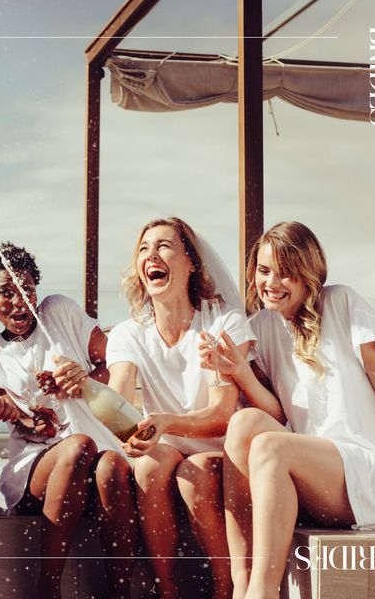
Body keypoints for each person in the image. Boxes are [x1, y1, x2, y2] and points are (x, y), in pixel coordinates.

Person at [199, 221, 375, 599]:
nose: (271, 282)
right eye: (264, 270)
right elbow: (278, 415)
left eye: (285, 273)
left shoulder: (341, 302)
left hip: (374, 478)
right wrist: (239, 372)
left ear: (308, 274)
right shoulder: (262, 327)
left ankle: (260, 595)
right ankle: (241, 583)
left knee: (269, 446)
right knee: (245, 423)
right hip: (320, 478)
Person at [106, 217, 264, 599]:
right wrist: (119, 425)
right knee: (147, 466)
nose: (151, 256)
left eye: (163, 246)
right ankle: (167, 589)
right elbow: (118, 397)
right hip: (166, 444)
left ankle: (225, 588)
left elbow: (222, 414)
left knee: (192, 475)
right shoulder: (130, 333)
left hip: (224, 448)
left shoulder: (222, 320)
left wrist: (165, 422)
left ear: (191, 262)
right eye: (143, 249)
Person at [0, 243, 138, 599]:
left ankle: (120, 591)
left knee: (111, 464)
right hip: (36, 473)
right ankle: (47, 588)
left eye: (28, 288)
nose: (21, 301)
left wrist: (86, 380)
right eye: (6, 292)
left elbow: (116, 360)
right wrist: (6, 408)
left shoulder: (58, 312)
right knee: (78, 447)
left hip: (95, 462)